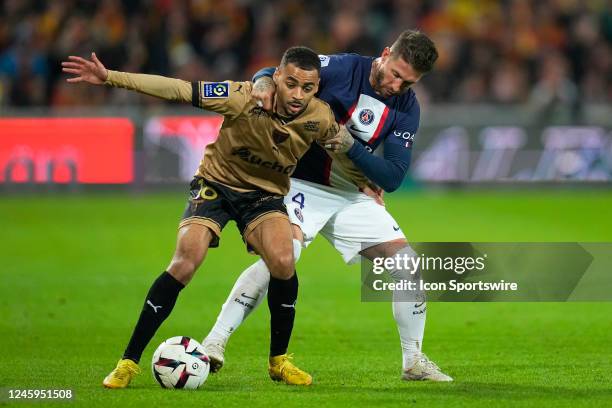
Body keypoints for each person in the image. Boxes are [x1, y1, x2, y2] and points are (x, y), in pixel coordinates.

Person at [61, 46, 367, 387]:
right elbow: (178, 88)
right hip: (216, 186)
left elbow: (343, 150)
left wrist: (365, 183)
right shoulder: (243, 97)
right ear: (276, 77)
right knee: (186, 261)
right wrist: (110, 78)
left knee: (284, 260)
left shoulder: (319, 117)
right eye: (291, 84)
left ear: (316, 88)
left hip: (264, 196)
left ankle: (278, 361)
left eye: (307, 88)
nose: (298, 95)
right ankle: (128, 362)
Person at [201, 30, 453, 382]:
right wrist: (260, 79)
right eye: (396, 74)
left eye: (407, 82)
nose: (397, 86)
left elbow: (393, 176)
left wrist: (350, 147)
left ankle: (413, 361)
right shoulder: (342, 68)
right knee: (283, 255)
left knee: (408, 267)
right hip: (300, 183)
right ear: (384, 54)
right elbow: (277, 71)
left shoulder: (407, 107)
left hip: (351, 194)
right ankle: (215, 342)